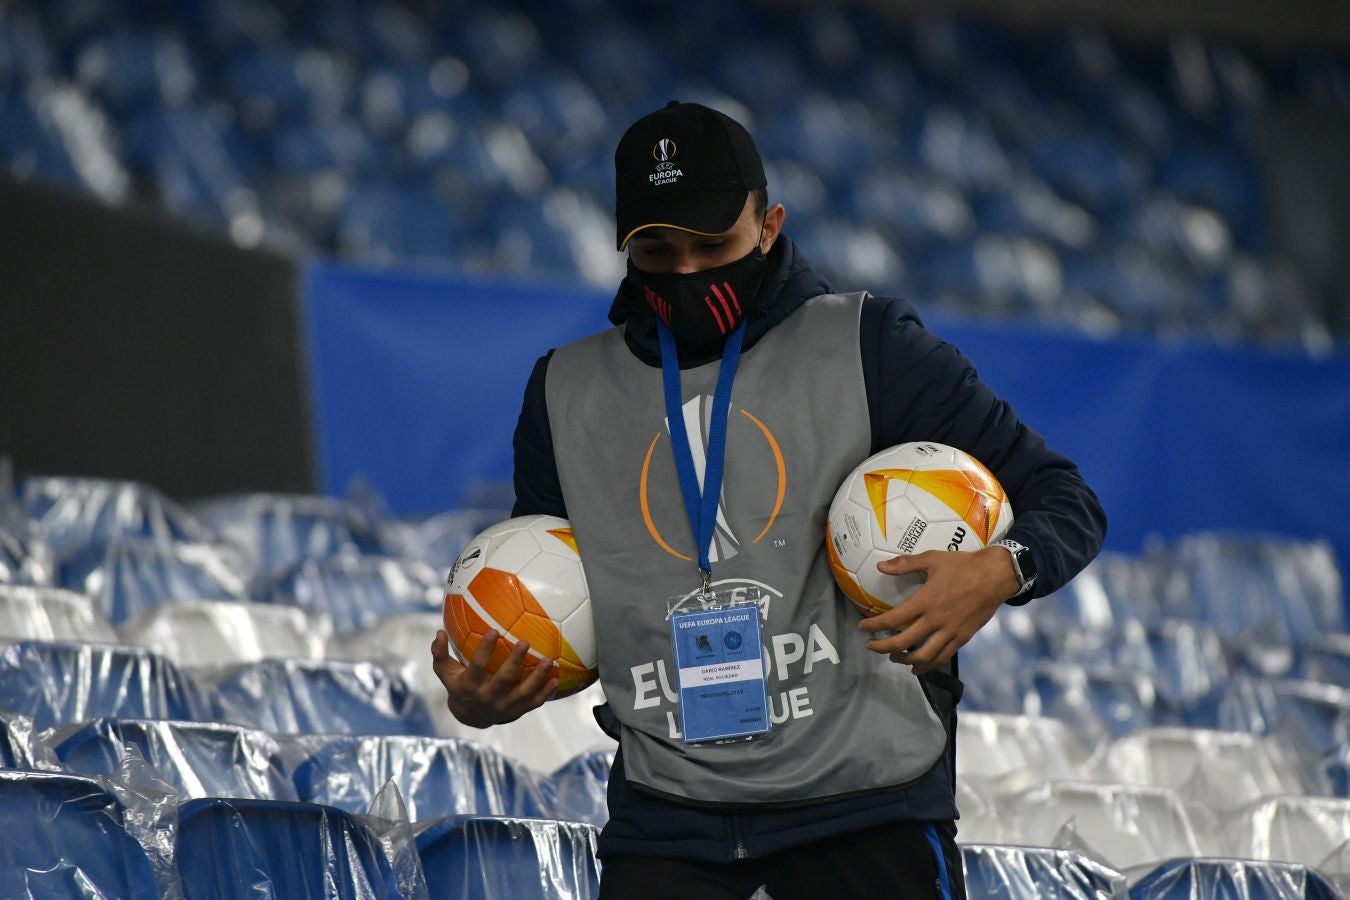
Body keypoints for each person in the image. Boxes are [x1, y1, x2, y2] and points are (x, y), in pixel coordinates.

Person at [432, 101, 1107, 899]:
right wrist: (494, 690)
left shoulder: (871, 345)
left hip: (866, 813)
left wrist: (1002, 568)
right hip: (666, 821)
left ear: (770, 223)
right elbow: (569, 607)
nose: (685, 273)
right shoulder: (562, 392)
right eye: (657, 249)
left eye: (713, 244)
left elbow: (1065, 499)